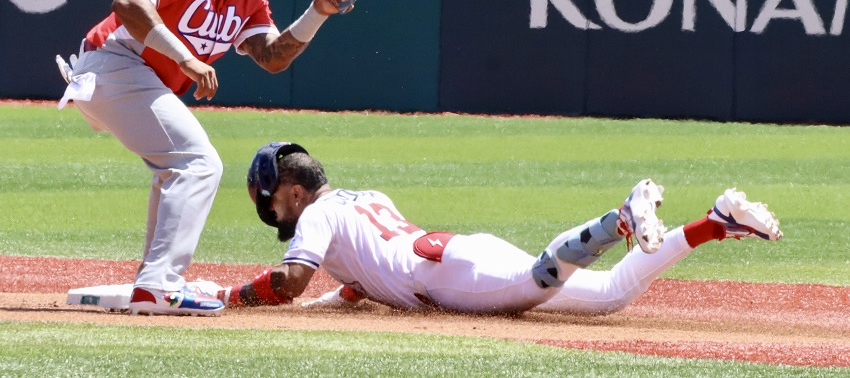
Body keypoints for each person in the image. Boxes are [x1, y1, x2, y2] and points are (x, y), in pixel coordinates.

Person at [55, 0, 367, 317]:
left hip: (131, 78)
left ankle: (151, 282)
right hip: (113, 64)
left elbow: (273, 56)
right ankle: (159, 285)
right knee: (198, 163)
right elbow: (128, 2)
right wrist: (184, 56)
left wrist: (319, 10)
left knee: (177, 167)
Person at [218, 142, 782, 315]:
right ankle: (716, 221)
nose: (274, 215)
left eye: (272, 203)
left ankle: (622, 218)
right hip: (455, 258)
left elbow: (291, 280)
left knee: (541, 277)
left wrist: (235, 297)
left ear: (294, 192)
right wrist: (336, 301)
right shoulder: (361, 199)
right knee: (610, 296)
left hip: (445, 276)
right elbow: (366, 272)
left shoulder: (316, 215)